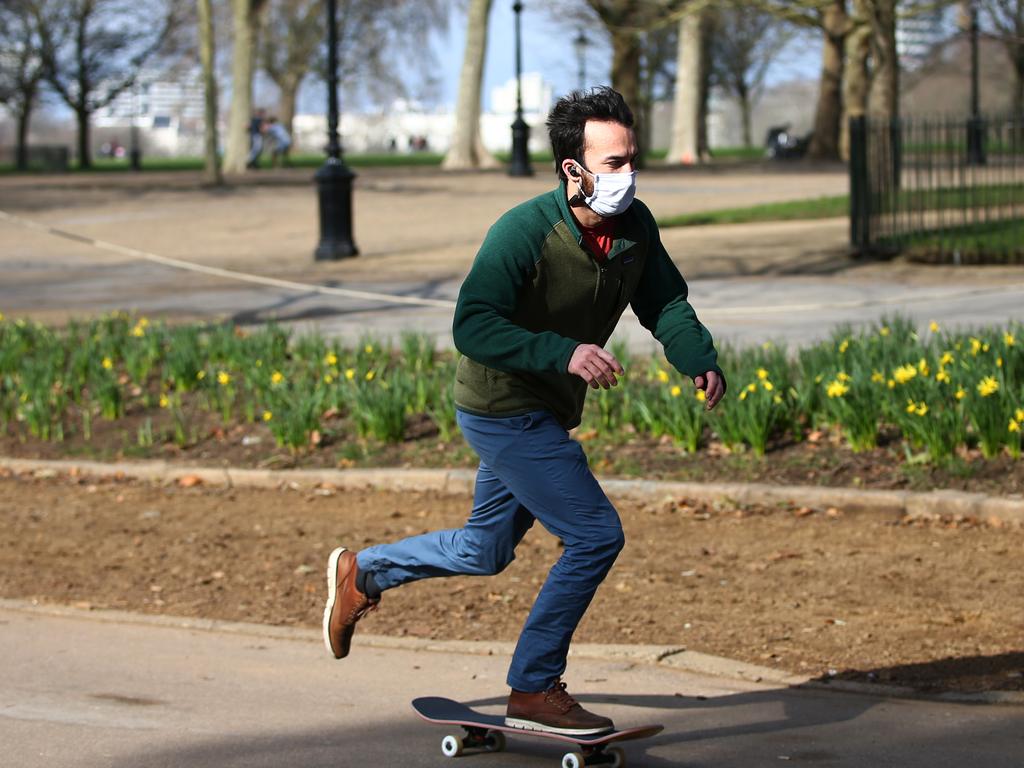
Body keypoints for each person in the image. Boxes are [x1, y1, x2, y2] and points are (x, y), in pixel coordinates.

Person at [323, 86, 725, 736]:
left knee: (485, 550)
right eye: (613, 163)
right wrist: (563, 353)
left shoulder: (634, 227)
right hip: (501, 405)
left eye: (631, 159)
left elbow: (666, 303)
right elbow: (472, 324)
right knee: (596, 533)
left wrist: (696, 355)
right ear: (574, 168)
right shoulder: (524, 232)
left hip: (545, 408)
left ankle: (365, 571)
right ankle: (534, 687)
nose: (628, 175)